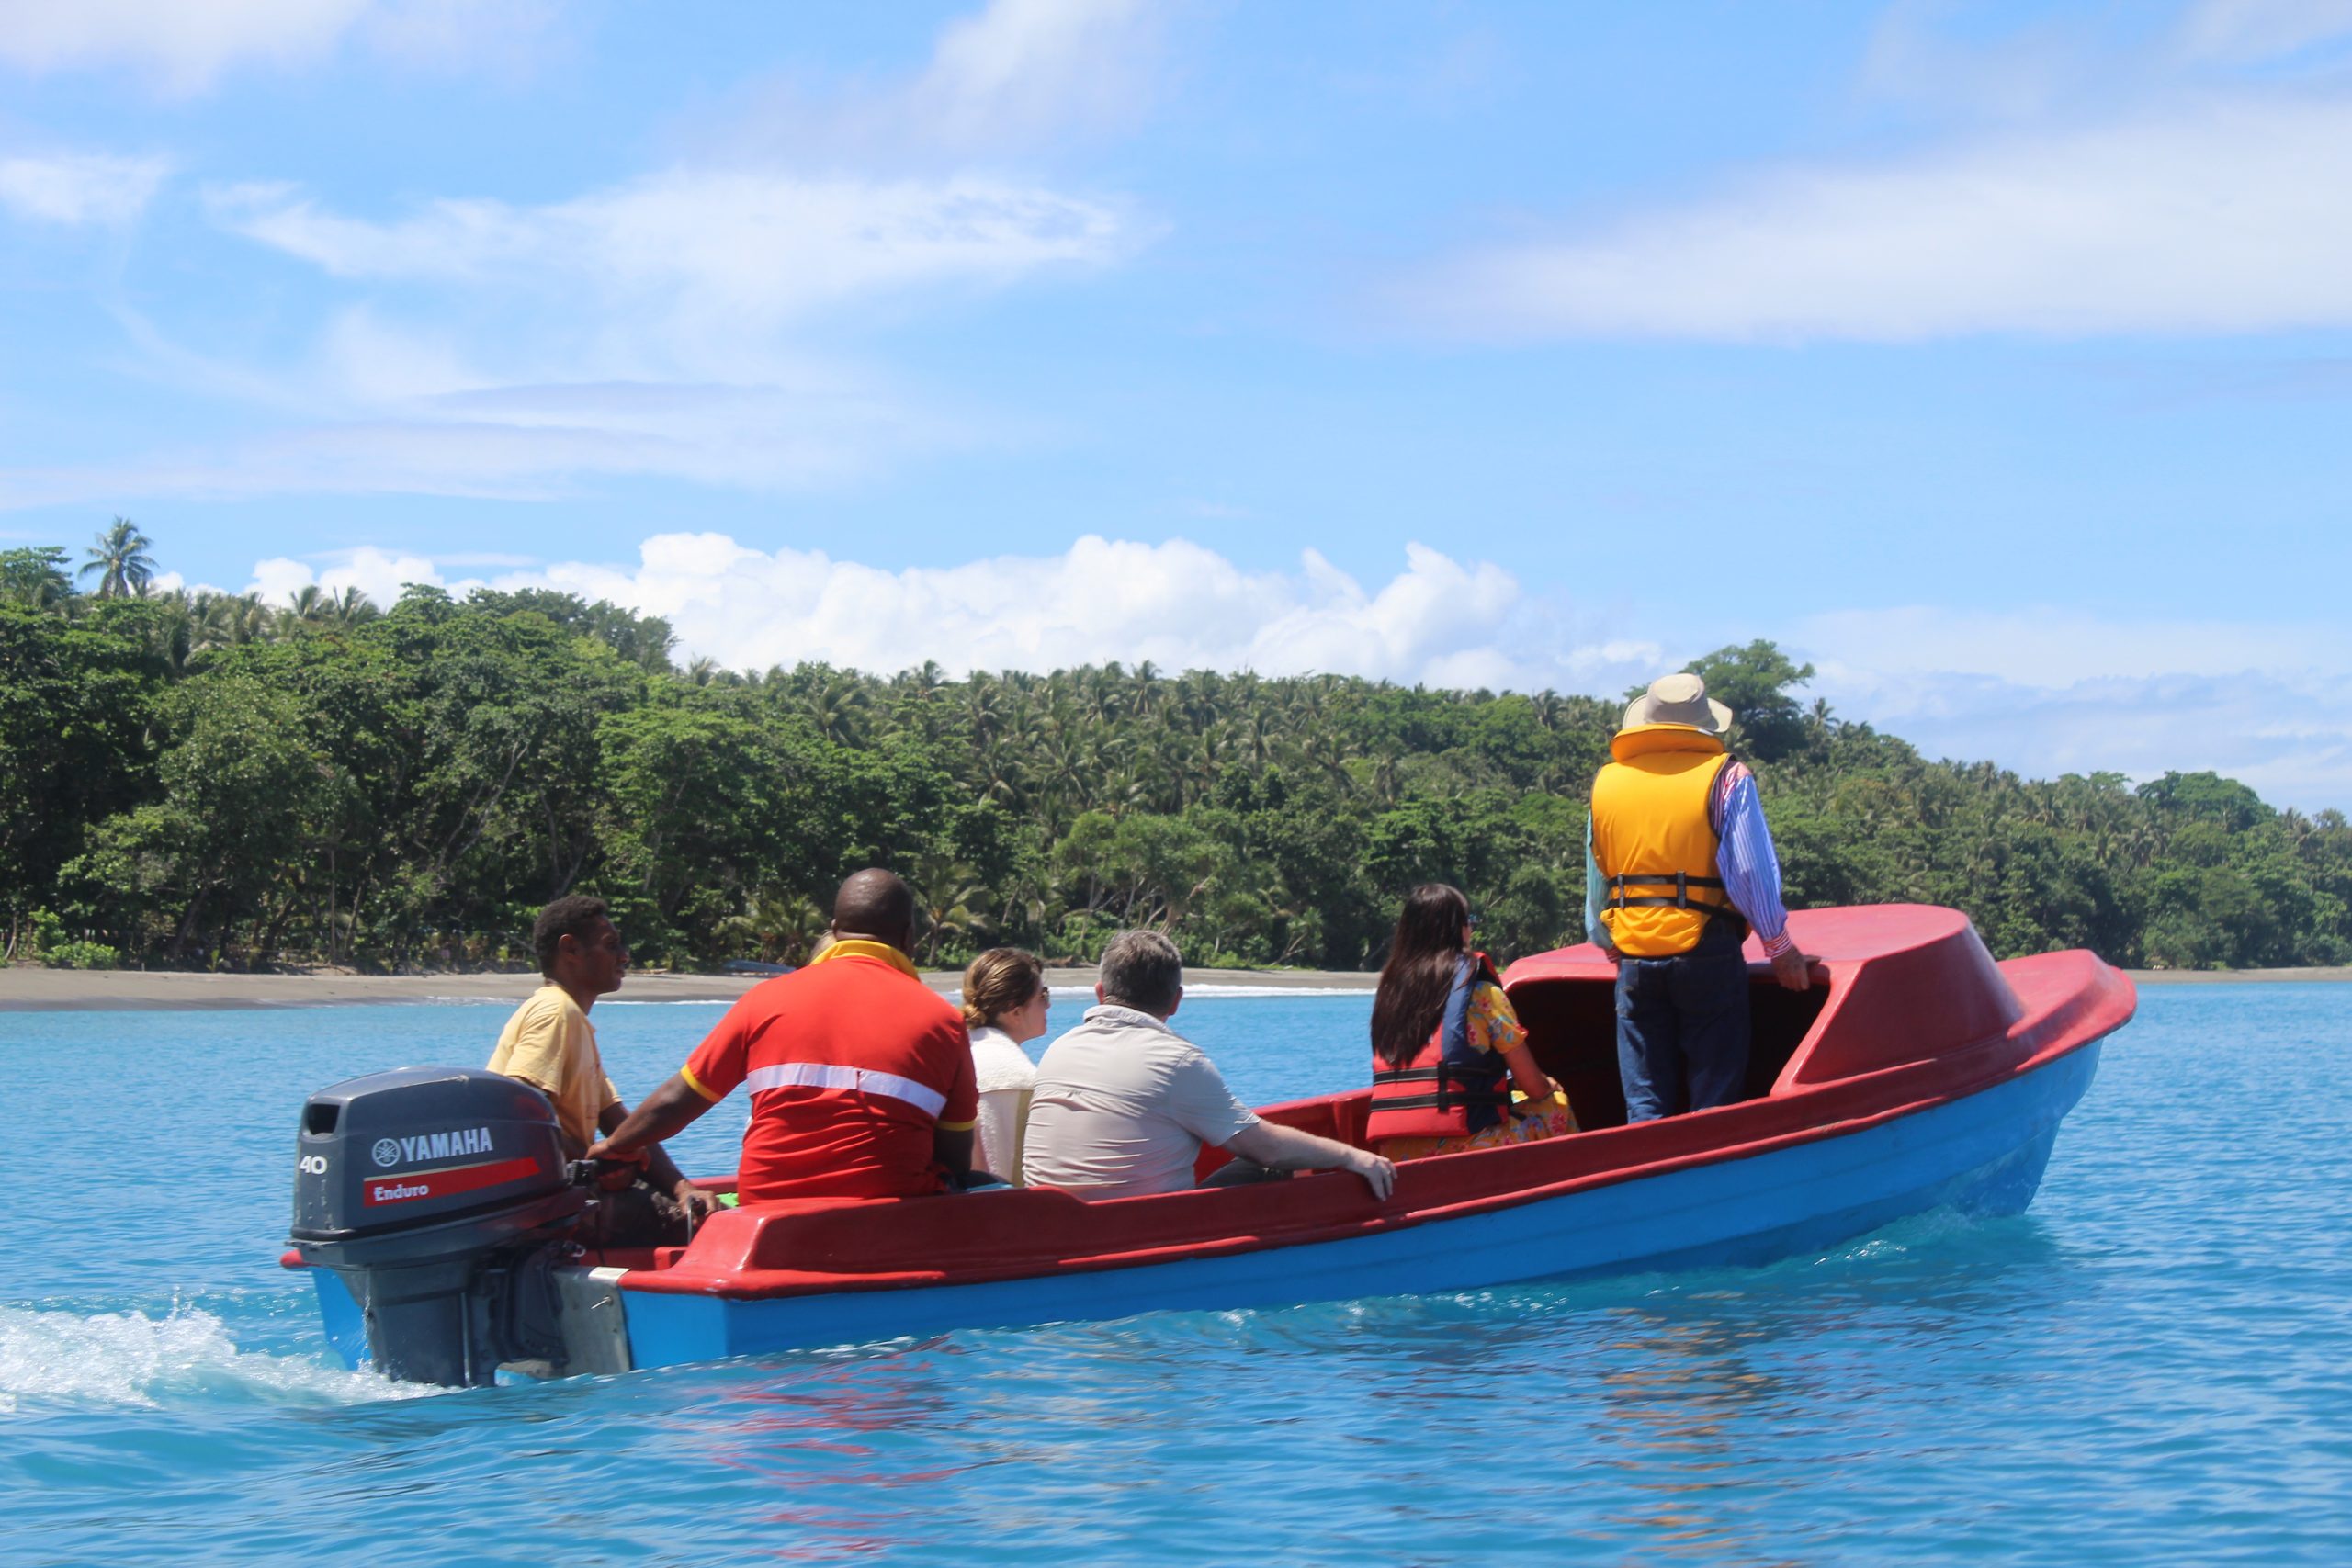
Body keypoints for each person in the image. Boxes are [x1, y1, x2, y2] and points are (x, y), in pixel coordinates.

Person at [588, 870, 985, 1203]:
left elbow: (676, 1100)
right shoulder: (943, 1021)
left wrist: (614, 1146)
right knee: (989, 1189)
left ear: (834, 931)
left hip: (768, 1210)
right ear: (909, 938)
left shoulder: (765, 999)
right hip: (886, 1216)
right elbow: (954, 1158)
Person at [1587, 672, 1813, 1122]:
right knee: (1712, 1099)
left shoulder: (1607, 782)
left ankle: (1648, 1180)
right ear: (1705, 726)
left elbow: (1599, 877)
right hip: (1706, 947)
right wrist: (1779, 947)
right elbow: (1749, 870)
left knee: (1645, 1101)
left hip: (1633, 950)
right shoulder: (1728, 778)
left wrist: (1607, 939)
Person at [1023, 930, 1396, 1200]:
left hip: (1055, 1226)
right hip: (1137, 1228)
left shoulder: (1058, 1048)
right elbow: (1268, 1149)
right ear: (1176, 1002)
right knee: (1269, 1167)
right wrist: (1352, 1156)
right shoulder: (1177, 1061)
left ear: (1101, 993)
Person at [487, 896, 715, 1246]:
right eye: (611, 945)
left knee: (691, 1208)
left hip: (565, 1196)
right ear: (570, 950)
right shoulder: (555, 1013)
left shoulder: (574, 1021)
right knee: (709, 1230)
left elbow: (623, 1126)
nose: (623, 956)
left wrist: (681, 1187)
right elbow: (516, 1111)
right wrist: (591, 1163)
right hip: (542, 1210)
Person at [1365, 884, 1577, 1161]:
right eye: (1470, 922)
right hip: (1466, 1146)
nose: (1472, 930)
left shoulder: (1390, 995)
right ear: (1460, 929)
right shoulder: (1482, 995)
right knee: (1556, 1106)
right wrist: (1549, 1085)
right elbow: (1533, 1087)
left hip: (1395, 1152)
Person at [960, 947, 1047, 1186]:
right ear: (1016, 1011)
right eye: (1043, 996)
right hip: (1009, 1212)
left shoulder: (954, 1058)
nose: (1048, 1006)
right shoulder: (1027, 1079)